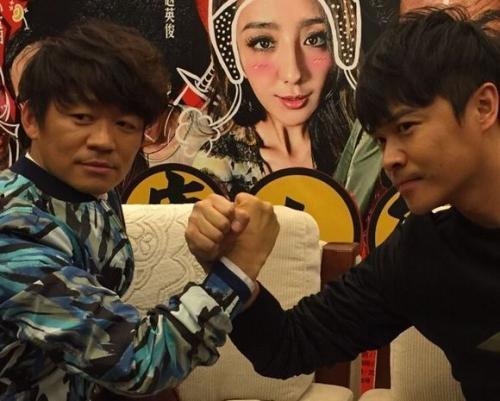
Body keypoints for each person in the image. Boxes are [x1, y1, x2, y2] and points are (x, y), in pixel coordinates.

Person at [185, 7, 500, 401]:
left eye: (406, 127)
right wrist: (233, 271)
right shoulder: (422, 255)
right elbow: (287, 346)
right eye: (382, 140)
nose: (390, 159)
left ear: (483, 106)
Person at [0, 20, 279, 401]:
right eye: (81, 118)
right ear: (32, 118)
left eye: (125, 124)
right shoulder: (12, 228)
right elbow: (136, 362)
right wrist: (236, 271)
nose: (104, 141)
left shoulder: (91, 192)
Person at [192, 0, 382, 210]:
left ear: (342, 46)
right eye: (263, 43)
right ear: (232, 55)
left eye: (315, 39)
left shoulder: (374, 145)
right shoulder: (218, 167)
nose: (293, 74)